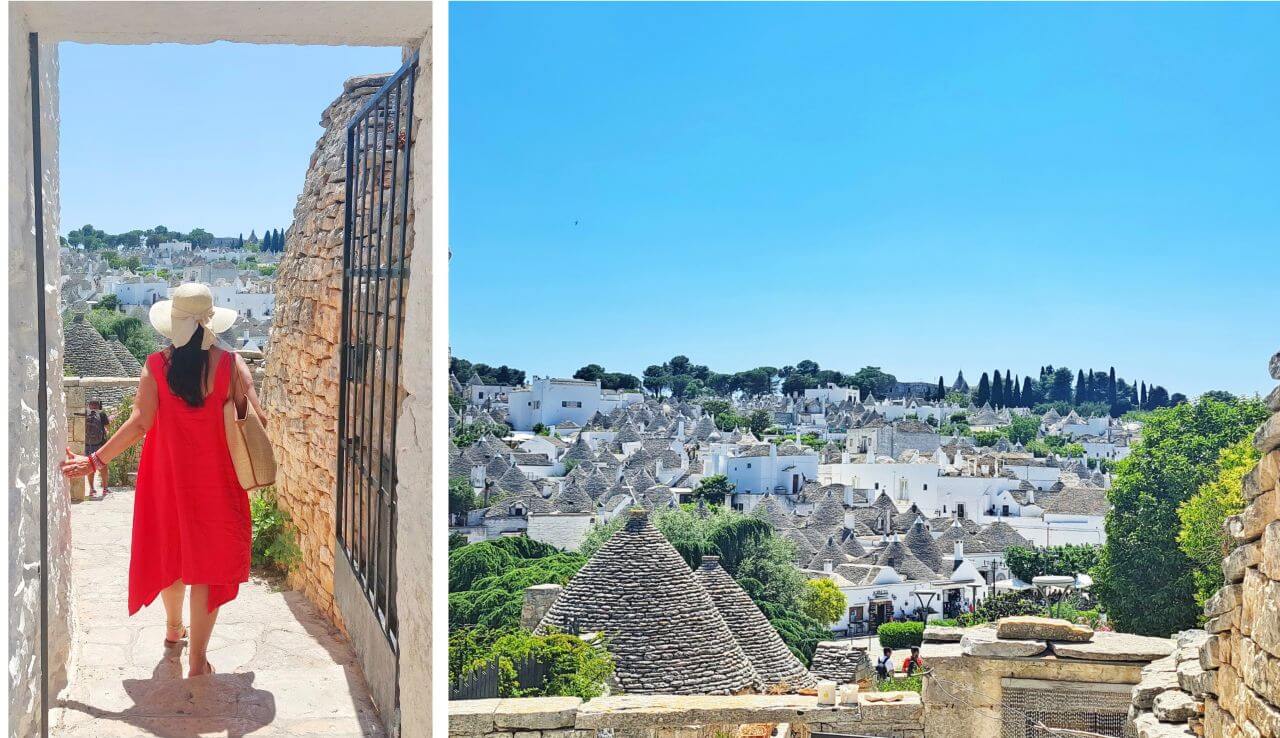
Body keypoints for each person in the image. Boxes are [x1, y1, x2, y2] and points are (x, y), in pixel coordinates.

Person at [60, 283, 265, 678]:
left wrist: (95, 460)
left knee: (174, 553)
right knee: (207, 564)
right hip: (217, 480)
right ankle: (197, 659)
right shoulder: (231, 364)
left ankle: (174, 632)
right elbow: (256, 421)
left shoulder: (155, 365)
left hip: (167, 477)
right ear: (210, 321)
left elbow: (139, 424)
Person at [83, 399, 111, 497]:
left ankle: (92, 489)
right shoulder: (102, 413)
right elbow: (108, 427)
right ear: (99, 405)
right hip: (101, 444)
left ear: (89, 404)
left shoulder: (85, 413)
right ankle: (105, 489)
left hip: (88, 444)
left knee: (90, 466)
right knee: (103, 466)